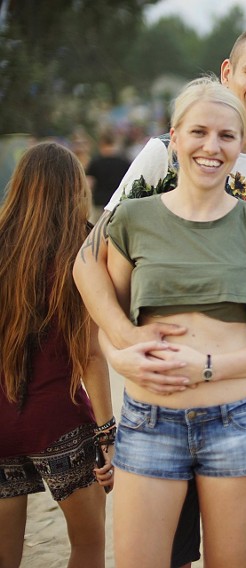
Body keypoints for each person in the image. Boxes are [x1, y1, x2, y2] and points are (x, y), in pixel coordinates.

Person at [72, 24, 246, 567]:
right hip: (157, 400)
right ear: (228, 73)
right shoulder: (163, 156)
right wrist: (124, 342)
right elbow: (90, 262)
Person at [0, 141, 114, 568]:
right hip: (60, 424)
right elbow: (89, 354)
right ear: (74, 189)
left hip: (0, 421)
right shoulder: (82, 249)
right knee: (86, 547)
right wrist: (108, 435)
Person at [86, 128, 131, 222]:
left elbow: (89, 184)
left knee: (98, 233)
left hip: (99, 203)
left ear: (101, 144)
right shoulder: (124, 162)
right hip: (118, 204)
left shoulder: (95, 162)